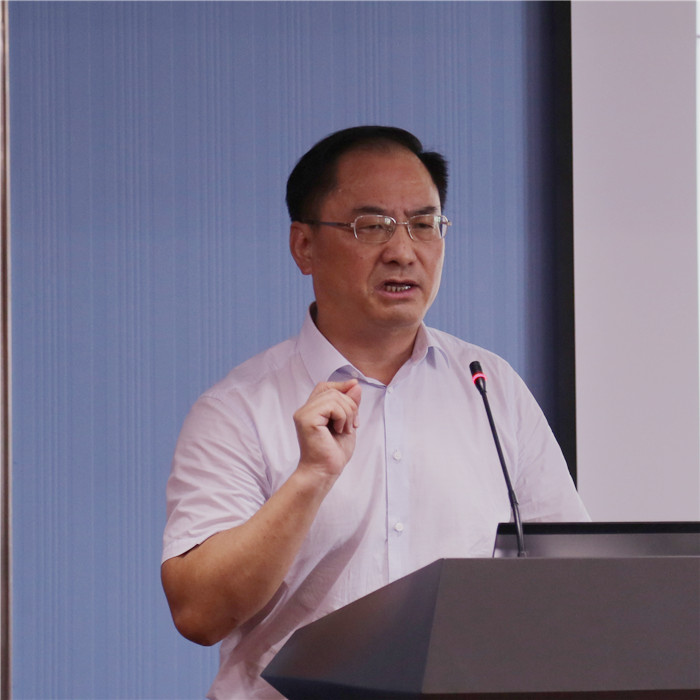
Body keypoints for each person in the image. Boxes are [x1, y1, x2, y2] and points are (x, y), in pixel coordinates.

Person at [161, 125, 589, 699]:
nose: (403, 251)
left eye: (423, 224)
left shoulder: (490, 387)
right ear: (304, 246)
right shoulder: (238, 409)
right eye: (373, 226)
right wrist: (310, 479)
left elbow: (574, 585)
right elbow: (198, 613)